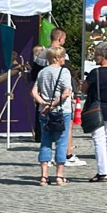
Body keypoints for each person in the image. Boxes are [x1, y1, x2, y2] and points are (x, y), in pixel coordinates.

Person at [34, 42, 74, 187]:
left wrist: (43, 104)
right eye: (63, 56)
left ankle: (44, 176)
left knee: (45, 142)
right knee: (61, 143)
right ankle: (59, 175)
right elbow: (66, 93)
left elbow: (33, 92)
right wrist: (52, 105)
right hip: (61, 112)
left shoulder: (42, 72)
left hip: (43, 112)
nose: (64, 58)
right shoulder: (64, 72)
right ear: (57, 58)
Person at [85, 45, 107, 182]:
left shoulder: (96, 72)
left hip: (97, 108)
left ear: (102, 56)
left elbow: (84, 89)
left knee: (99, 139)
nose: (95, 57)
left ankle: (102, 172)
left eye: (96, 54)